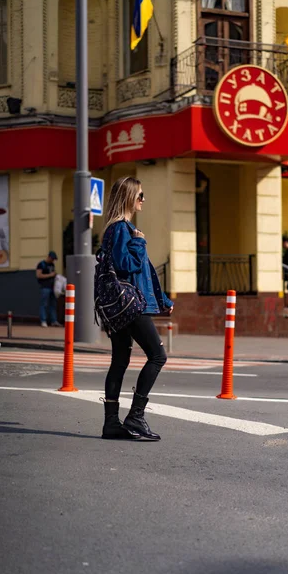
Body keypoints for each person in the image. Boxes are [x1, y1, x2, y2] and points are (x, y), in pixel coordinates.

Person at [101, 176, 173, 441]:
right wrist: (140, 242)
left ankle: (111, 423)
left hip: (122, 304)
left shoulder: (119, 228)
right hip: (130, 305)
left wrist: (163, 300)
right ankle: (136, 416)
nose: (143, 200)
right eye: (140, 195)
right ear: (129, 197)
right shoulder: (122, 229)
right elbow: (128, 266)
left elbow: (145, 273)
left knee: (120, 360)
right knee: (157, 356)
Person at [36, 251, 62, 328]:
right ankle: (43, 320)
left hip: (52, 287)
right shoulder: (41, 264)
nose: (53, 260)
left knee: (53, 305)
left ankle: (53, 320)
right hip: (45, 286)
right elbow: (39, 275)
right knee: (44, 304)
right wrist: (50, 275)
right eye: (52, 259)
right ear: (49, 257)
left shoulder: (52, 264)